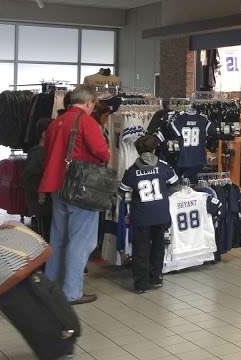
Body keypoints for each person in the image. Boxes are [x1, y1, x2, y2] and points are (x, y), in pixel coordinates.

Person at [38, 85, 110, 305]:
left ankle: (51, 287)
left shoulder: (55, 122)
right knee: (81, 241)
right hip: (80, 189)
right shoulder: (87, 122)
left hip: (56, 186)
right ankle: (72, 292)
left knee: (58, 238)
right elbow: (102, 153)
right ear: (88, 102)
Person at [119, 135, 178, 294]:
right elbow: (175, 184)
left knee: (141, 250)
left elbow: (122, 192)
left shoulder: (132, 170)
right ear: (154, 149)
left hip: (141, 217)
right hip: (161, 215)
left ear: (138, 151)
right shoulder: (164, 166)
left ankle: (140, 285)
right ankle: (156, 278)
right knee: (158, 247)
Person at [22, 117, 52, 241]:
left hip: (46, 201)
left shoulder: (46, 152)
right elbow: (30, 180)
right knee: (45, 235)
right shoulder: (38, 154)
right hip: (43, 203)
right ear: (44, 134)